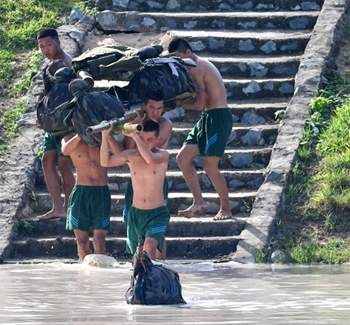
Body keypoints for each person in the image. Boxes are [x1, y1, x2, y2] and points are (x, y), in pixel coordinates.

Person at [167, 37, 233, 220]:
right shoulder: (192, 67)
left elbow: (198, 104)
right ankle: (199, 202)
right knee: (182, 157)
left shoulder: (198, 68)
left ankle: (226, 208)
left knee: (210, 166)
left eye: (179, 59)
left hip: (218, 118)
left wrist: (173, 104)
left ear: (188, 53)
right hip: (207, 117)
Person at [101, 119, 170, 260]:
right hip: (136, 213)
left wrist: (135, 137)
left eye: (149, 140)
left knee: (149, 247)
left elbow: (150, 159)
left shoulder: (163, 155)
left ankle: (153, 277)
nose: (145, 143)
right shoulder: (131, 155)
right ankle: (144, 279)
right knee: (138, 256)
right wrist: (104, 135)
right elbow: (105, 162)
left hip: (157, 213)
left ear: (158, 139)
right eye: (142, 139)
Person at [35, 28, 74, 221]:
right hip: (52, 124)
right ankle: (57, 207)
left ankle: (68, 207)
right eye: (42, 46)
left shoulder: (67, 63)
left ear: (58, 42)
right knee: (47, 161)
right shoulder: (50, 64)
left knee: (64, 165)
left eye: (48, 44)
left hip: (66, 125)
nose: (45, 49)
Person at [61, 131, 111, 260]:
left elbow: (119, 151)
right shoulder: (68, 137)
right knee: (82, 242)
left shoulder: (101, 137)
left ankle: (100, 275)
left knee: (99, 240)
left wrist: (106, 135)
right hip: (81, 192)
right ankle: (85, 274)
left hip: (100, 193)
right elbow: (65, 150)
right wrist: (81, 133)